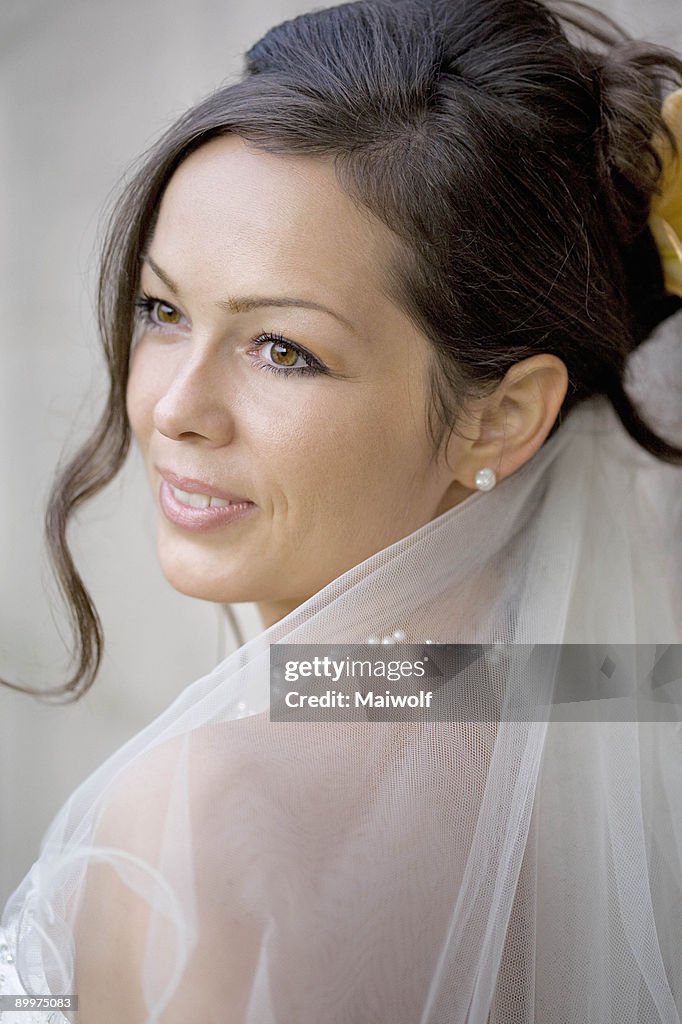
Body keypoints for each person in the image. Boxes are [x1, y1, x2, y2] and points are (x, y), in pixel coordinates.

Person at [1, 0, 681, 1020]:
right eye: (163, 310)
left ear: (496, 419)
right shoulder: (605, 702)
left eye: (284, 349)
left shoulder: (202, 817)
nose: (174, 409)